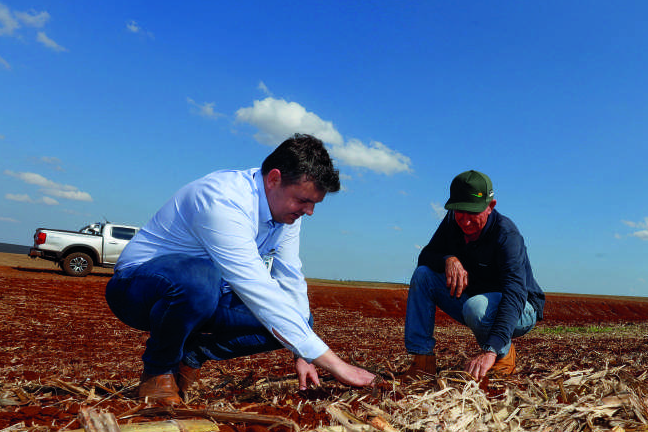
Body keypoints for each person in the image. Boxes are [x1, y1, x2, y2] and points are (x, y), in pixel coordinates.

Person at [105, 133, 377, 406]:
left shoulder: (287, 216)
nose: (309, 211)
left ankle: (191, 355)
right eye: (303, 200)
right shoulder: (222, 199)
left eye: (314, 203)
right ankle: (158, 371)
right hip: (136, 288)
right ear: (274, 179)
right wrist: (337, 365)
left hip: (207, 295)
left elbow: (290, 278)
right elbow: (256, 287)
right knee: (199, 278)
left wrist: (303, 353)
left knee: (301, 319)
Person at [404, 170, 545, 380]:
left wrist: (491, 349)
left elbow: (515, 294)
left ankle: (503, 354)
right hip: (476, 300)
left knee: (476, 307)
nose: (465, 221)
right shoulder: (452, 222)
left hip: (521, 308)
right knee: (423, 275)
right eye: (460, 211)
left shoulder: (507, 236)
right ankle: (423, 361)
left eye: (473, 212)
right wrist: (448, 259)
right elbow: (426, 256)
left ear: (490, 206)